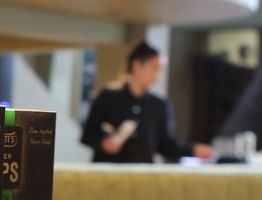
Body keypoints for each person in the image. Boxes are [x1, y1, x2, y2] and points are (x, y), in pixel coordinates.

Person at [80, 42, 213, 163]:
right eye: (154, 68)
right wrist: (103, 144)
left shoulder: (159, 104)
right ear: (137, 64)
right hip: (110, 173)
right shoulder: (108, 97)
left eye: (159, 70)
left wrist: (192, 150)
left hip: (142, 174)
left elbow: (165, 143)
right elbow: (87, 135)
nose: (157, 75)